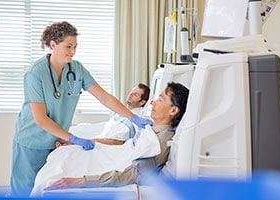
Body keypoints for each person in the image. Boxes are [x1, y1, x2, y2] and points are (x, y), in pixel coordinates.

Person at [10, 21, 152, 197]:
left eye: (75, 47)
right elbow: (40, 119)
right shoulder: (36, 74)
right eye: (68, 46)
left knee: (45, 188)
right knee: (23, 192)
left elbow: (104, 97)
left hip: (55, 140)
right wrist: (73, 138)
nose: (73, 51)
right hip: (31, 141)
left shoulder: (76, 69)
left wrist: (133, 117)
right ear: (53, 45)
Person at [41, 82, 189, 191]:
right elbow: (126, 148)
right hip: (112, 156)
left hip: (113, 165)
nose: (153, 102)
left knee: (53, 175)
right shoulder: (150, 128)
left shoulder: (160, 142)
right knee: (65, 155)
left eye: (161, 99)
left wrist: (82, 181)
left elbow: (132, 175)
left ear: (173, 110)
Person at [57, 83, 150, 146]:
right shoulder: (122, 113)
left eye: (135, 95)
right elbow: (107, 127)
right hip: (101, 136)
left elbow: (116, 142)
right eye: (132, 92)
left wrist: (79, 142)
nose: (130, 94)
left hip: (103, 146)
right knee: (71, 129)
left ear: (142, 102)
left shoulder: (134, 120)